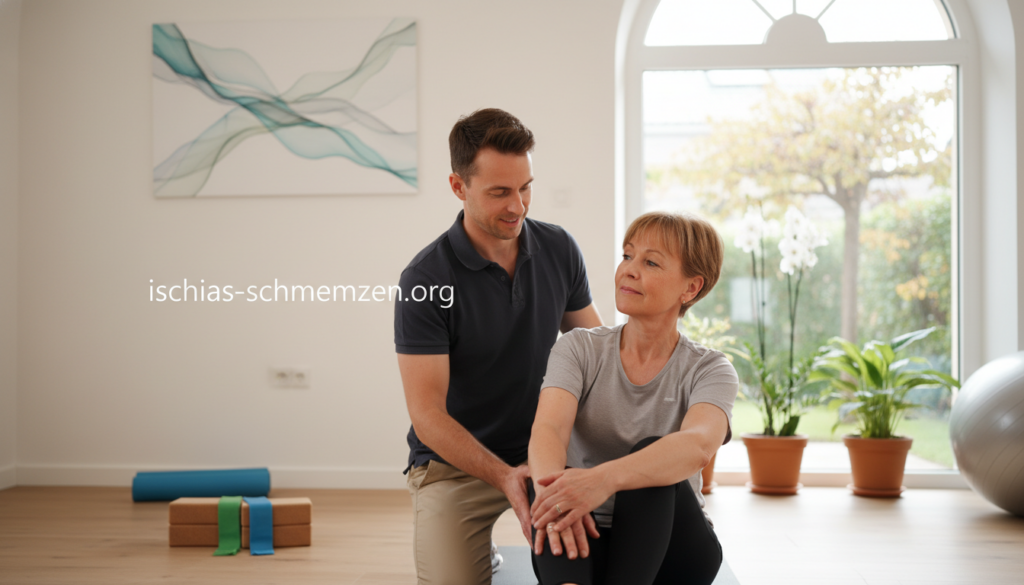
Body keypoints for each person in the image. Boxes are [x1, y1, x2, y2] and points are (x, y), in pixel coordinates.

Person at [395, 108, 603, 585]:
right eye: (499, 192)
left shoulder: (559, 249)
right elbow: (427, 415)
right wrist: (504, 474)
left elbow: (596, 356)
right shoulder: (425, 279)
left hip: (548, 453)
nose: (518, 206)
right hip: (456, 467)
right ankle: (478, 554)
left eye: (525, 187)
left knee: (586, 570)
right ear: (457, 186)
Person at [527, 211, 739, 585]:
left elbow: (697, 446)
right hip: (583, 524)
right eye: (627, 256)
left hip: (675, 544)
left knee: (654, 456)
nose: (629, 270)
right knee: (548, 484)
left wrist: (601, 481)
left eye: (651, 262)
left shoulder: (711, 369)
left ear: (690, 288)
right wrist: (555, 498)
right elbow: (548, 429)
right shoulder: (578, 348)